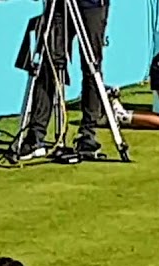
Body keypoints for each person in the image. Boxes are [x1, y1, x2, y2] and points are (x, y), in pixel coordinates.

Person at [16, 0, 111, 161]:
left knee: (91, 67)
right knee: (48, 66)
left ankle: (88, 135)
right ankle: (35, 136)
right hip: (57, 5)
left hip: (92, 5)